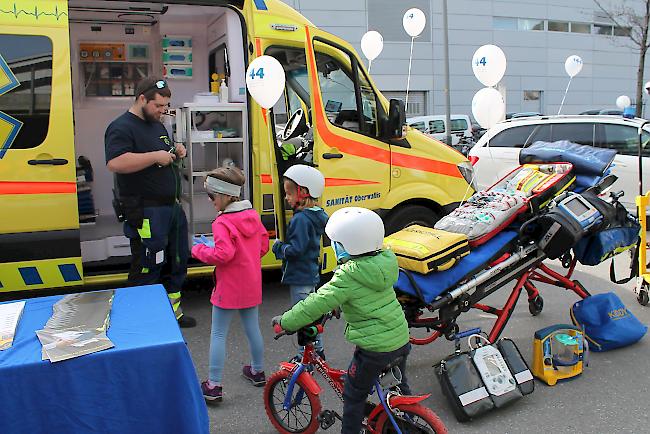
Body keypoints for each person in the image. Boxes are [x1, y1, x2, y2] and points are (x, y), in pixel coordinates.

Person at [272, 207, 411, 434]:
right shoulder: (384, 262)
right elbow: (365, 296)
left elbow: (315, 303)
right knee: (398, 385)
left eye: (335, 243)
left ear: (347, 245)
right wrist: (340, 303)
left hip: (373, 350)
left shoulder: (348, 274)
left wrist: (286, 322)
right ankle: (407, 419)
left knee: (353, 396)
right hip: (400, 339)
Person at [105, 76, 196, 328]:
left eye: (166, 106)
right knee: (148, 264)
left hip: (171, 207)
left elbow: (163, 153)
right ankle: (142, 320)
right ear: (142, 98)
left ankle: (172, 314)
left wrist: (175, 150)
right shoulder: (121, 127)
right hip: (146, 209)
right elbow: (115, 162)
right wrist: (154, 156)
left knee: (177, 260)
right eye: (158, 106)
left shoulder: (157, 125)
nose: (162, 111)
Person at [192, 166, 270, 402]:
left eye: (212, 196)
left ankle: (214, 385)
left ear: (224, 195)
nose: (210, 201)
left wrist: (200, 250)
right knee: (252, 328)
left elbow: (223, 255)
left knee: (218, 334)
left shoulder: (222, 223)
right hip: (251, 283)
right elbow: (263, 245)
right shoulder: (253, 215)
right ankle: (258, 371)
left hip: (228, 287)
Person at [272, 164, 328, 360]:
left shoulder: (300, 220)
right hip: (310, 273)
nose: (286, 198)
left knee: (302, 318)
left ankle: (304, 356)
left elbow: (296, 250)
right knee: (311, 315)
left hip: (300, 275)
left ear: (303, 192)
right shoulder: (316, 215)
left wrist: (279, 247)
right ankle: (318, 351)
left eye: (289, 193)